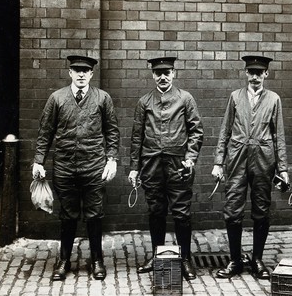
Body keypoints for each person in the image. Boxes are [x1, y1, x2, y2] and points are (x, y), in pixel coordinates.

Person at [32, 55, 120, 281]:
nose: (81, 74)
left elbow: (112, 131)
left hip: (93, 166)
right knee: (68, 215)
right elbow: (45, 132)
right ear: (70, 72)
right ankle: (63, 261)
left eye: (85, 70)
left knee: (94, 215)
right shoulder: (57, 98)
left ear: (91, 74)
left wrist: (111, 159)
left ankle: (97, 261)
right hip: (65, 167)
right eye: (76, 70)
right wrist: (38, 161)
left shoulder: (102, 98)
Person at [211, 55, 289, 279]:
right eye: (251, 72)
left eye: (259, 72)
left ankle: (257, 259)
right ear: (246, 73)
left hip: (264, 161)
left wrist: (282, 168)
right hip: (236, 159)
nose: (255, 77)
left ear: (266, 74)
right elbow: (225, 131)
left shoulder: (274, 99)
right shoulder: (235, 97)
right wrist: (218, 161)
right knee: (233, 209)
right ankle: (235, 260)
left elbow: (279, 135)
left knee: (261, 210)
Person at [128, 57, 204, 280]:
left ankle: (185, 259)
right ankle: (156, 256)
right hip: (151, 164)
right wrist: (134, 167)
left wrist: (190, 158)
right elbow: (136, 137)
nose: (162, 77)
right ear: (153, 75)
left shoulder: (185, 99)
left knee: (181, 213)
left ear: (173, 73)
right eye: (158, 73)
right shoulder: (144, 102)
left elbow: (196, 131)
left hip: (178, 164)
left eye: (167, 72)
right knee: (156, 210)